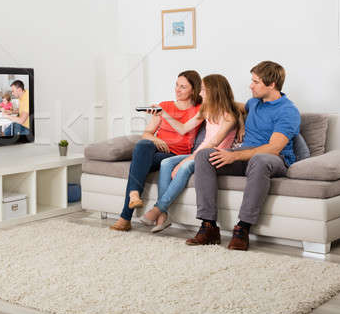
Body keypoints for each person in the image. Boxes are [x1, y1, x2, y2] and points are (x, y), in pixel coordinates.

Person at [186, 61, 300, 251]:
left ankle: (243, 228)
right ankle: (209, 226)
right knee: (204, 155)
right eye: (252, 80)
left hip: (274, 159)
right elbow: (231, 105)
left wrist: (235, 157)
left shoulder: (287, 111)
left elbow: (273, 148)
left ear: (271, 85)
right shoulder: (254, 103)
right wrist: (238, 121)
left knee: (259, 159)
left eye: (256, 82)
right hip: (245, 155)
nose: (250, 85)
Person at [141, 74, 243, 233]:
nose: (200, 94)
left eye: (203, 90)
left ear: (214, 91)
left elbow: (213, 143)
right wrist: (164, 114)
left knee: (184, 167)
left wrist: (186, 160)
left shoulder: (229, 116)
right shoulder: (207, 109)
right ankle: (163, 214)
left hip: (214, 155)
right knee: (166, 163)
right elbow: (183, 128)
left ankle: (158, 208)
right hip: (201, 151)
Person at [109, 70, 203, 231]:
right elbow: (147, 133)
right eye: (176, 85)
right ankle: (134, 196)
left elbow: (229, 105)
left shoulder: (200, 109)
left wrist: (242, 125)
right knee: (142, 145)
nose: (177, 90)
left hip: (175, 155)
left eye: (183, 87)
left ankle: (125, 217)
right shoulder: (165, 106)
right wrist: (156, 139)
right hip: (155, 150)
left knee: (137, 161)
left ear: (194, 90)